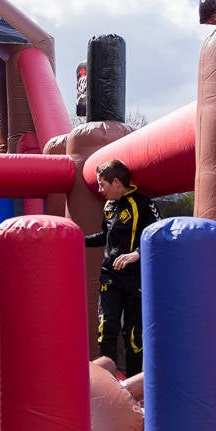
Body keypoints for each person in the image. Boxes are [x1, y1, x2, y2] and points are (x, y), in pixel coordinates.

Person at [85, 159, 160, 378]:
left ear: (116, 182)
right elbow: (105, 236)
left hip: (136, 279)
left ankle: (135, 387)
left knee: (134, 335)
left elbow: (158, 236)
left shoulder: (143, 204)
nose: (100, 190)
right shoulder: (108, 207)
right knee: (106, 327)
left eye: (102, 185)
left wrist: (136, 254)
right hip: (110, 277)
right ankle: (108, 381)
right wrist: (77, 239)